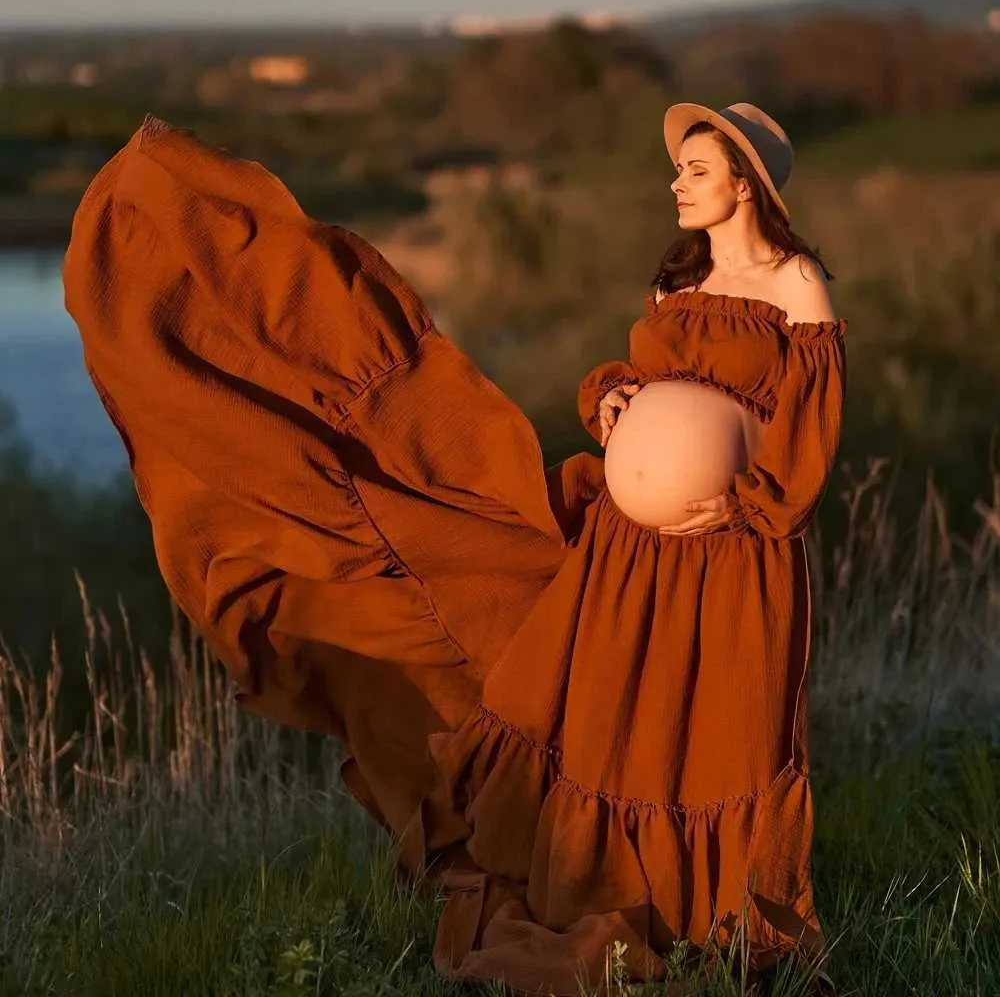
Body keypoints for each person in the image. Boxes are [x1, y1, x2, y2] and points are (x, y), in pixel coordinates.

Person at [62, 101, 845, 997]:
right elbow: (650, 380)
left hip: (730, 556)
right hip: (631, 556)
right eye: (680, 170)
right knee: (621, 726)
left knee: (714, 734)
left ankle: (719, 914)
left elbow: (810, 437)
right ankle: (615, 885)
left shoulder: (798, 289)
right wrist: (620, 403)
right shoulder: (678, 284)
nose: (677, 183)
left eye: (696, 171)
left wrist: (742, 504)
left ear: (746, 183)